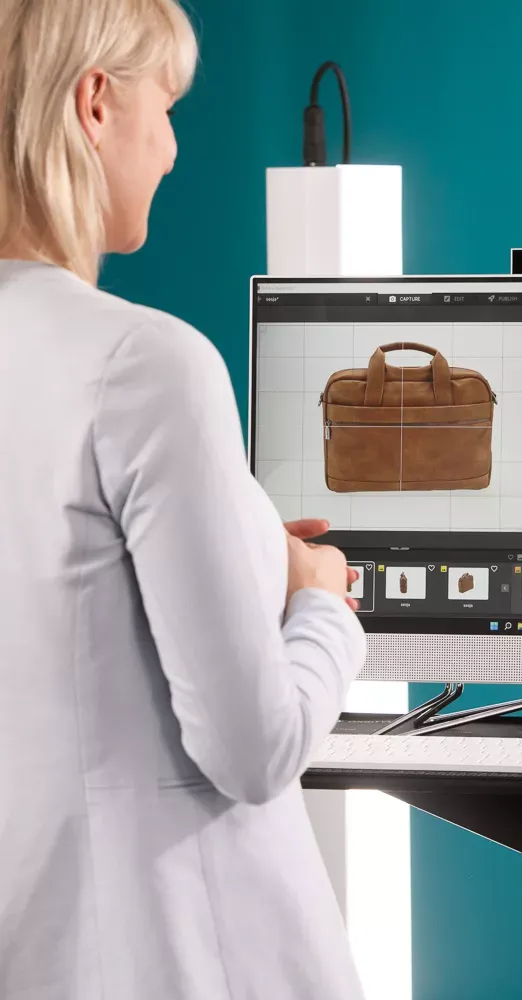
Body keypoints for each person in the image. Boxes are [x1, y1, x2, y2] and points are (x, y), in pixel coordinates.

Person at [0, 3, 367, 998]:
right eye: (165, 107)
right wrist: (323, 603)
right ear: (93, 103)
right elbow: (253, 750)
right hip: (180, 957)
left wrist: (246, 552)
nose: (170, 149)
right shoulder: (142, 362)